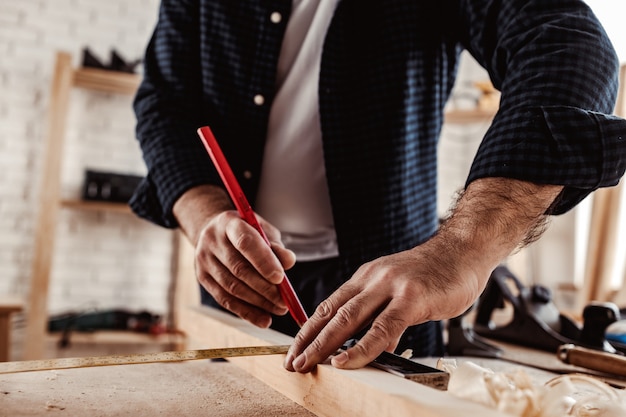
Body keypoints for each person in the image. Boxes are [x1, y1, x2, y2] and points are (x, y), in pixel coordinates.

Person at [130, 0, 626, 373]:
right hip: (241, 284)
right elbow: (162, 101)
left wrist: (463, 248)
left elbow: (567, 46)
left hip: (393, 290)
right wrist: (205, 214)